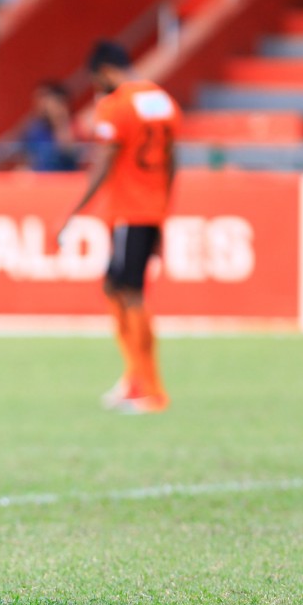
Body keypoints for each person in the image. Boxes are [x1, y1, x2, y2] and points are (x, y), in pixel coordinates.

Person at [56, 42, 178, 414]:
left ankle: (151, 388)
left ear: (106, 71)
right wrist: (163, 212)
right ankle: (134, 379)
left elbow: (105, 160)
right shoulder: (162, 101)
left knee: (129, 292)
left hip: (128, 211)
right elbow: (173, 160)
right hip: (151, 208)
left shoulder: (115, 107)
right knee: (116, 287)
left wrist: (75, 210)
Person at [19, 81, 79, 171]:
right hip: (41, 180)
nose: (42, 104)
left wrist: (60, 120)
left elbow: (68, 151)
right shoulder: (34, 130)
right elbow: (26, 158)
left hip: (65, 179)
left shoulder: (74, 126)